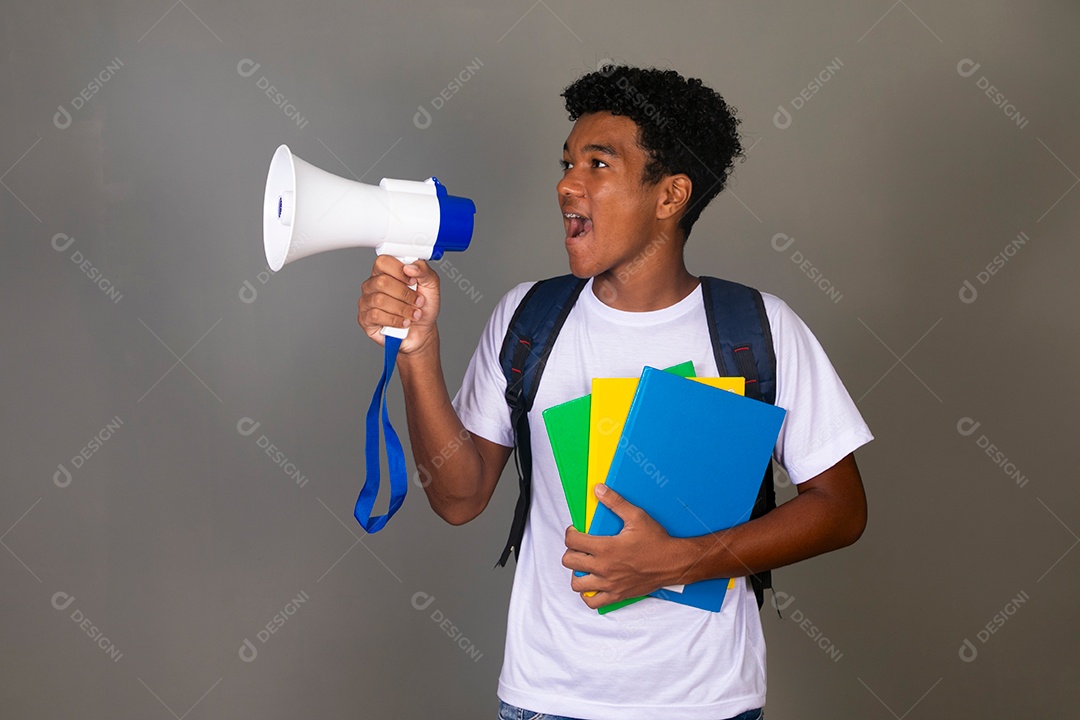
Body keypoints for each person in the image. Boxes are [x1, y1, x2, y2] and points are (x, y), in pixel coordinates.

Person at [357, 64, 872, 720]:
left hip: (707, 704)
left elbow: (841, 509)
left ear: (670, 196)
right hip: (546, 700)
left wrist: (674, 561)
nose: (566, 184)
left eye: (598, 164)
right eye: (567, 162)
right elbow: (458, 499)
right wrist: (418, 353)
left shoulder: (756, 330)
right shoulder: (528, 318)